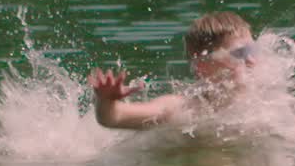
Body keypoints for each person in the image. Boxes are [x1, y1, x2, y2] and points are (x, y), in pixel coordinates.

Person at [88, 11, 260, 130]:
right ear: (202, 66)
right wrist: (106, 102)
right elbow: (113, 119)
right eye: (240, 53)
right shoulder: (181, 109)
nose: (251, 61)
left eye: (253, 50)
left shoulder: (268, 102)